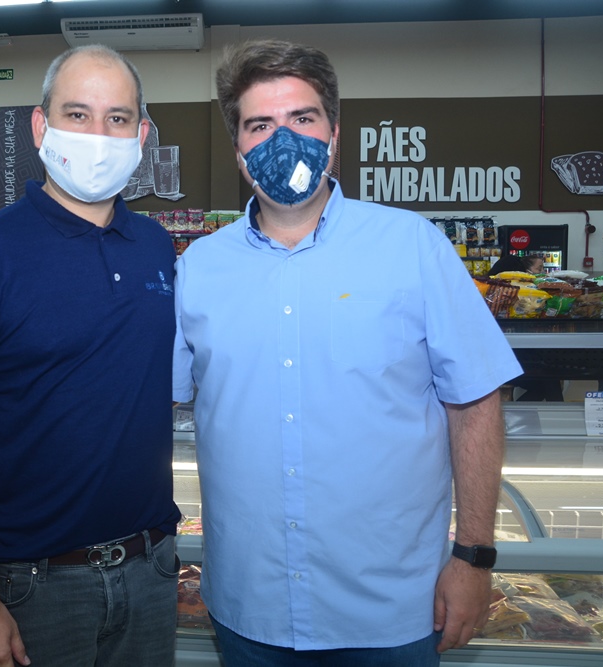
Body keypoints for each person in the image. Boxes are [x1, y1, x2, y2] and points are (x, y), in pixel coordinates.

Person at [172, 40, 523, 665]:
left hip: (393, 611)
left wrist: (473, 557)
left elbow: (475, 403)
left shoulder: (412, 246)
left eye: (302, 119)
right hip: (249, 610)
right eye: (261, 125)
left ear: (334, 135)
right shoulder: (199, 268)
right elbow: (160, 407)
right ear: (239, 151)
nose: (284, 139)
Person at [0, 44, 180, 667]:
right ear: (41, 126)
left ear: (141, 134)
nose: (98, 134)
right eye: (77, 114)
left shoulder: (155, 247)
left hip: (151, 569)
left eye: (118, 119)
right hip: (33, 585)